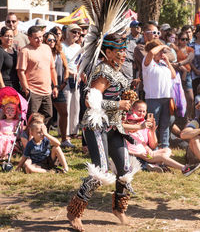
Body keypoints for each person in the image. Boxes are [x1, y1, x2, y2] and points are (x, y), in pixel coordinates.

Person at [67, 34, 140, 231]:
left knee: (125, 170)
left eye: (124, 50)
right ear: (107, 52)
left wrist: (127, 97)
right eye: (119, 51)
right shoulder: (102, 71)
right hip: (97, 125)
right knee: (100, 171)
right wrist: (119, 103)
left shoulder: (116, 69)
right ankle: (75, 212)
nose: (123, 54)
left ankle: (119, 208)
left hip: (115, 126)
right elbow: (90, 101)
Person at [124, 100, 199, 176]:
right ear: (132, 109)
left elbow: (153, 145)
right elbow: (125, 146)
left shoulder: (144, 124)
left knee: (167, 150)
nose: (142, 114)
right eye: (139, 111)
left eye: (144, 111)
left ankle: (155, 165)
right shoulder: (128, 122)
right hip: (137, 155)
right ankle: (185, 169)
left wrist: (152, 132)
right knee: (162, 156)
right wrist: (139, 154)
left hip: (146, 153)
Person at [16, 26, 58, 125]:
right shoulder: (25, 51)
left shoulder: (47, 48)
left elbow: (52, 68)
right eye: (36, 37)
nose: (39, 39)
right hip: (33, 91)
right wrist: (26, 89)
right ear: (29, 38)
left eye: (41, 37)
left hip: (47, 90)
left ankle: (42, 137)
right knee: (32, 118)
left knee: (48, 115)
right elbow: (20, 71)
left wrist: (55, 86)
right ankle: (29, 139)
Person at [142, 39, 176, 148]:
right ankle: (153, 147)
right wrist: (163, 45)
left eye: (163, 51)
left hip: (166, 98)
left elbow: (173, 75)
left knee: (165, 124)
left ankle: (165, 146)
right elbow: (151, 53)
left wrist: (168, 62)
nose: (162, 53)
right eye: (160, 51)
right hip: (153, 99)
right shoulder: (147, 62)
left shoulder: (163, 63)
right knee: (153, 125)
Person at [44, 31, 69, 146]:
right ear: (45, 41)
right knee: (47, 116)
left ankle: (64, 139)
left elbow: (66, 68)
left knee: (64, 113)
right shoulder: (42, 52)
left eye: (54, 40)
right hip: (45, 88)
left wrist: (64, 82)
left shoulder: (60, 53)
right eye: (49, 40)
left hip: (59, 87)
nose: (52, 42)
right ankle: (45, 139)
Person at [61, 23, 82, 147]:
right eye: (74, 32)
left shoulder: (79, 46)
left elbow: (80, 62)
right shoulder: (62, 46)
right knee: (66, 106)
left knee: (76, 105)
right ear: (68, 32)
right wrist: (70, 72)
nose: (76, 35)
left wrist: (79, 73)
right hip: (66, 78)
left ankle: (74, 131)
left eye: (78, 33)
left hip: (77, 79)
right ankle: (65, 132)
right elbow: (62, 63)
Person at [175, 32, 194, 119]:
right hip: (176, 74)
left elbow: (189, 59)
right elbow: (172, 60)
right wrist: (180, 67)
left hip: (187, 74)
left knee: (190, 98)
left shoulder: (190, 49)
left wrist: (179, 64)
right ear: (178, 40)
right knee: (177, 97)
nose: (185, 41)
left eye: (186, 39)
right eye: (183, 39)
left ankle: (188, 117)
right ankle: (178, 118)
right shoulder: (174, 49)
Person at [121, 19, 142, 84]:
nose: (139, 27)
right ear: (131, 28)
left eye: (140, 26)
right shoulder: (126, 39)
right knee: (129, 83)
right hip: (129, 64)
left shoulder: (143, 38)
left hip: (140, 65)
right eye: (136, 26)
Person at [0, 27, 20, 92]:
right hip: (5, 86)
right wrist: (3, 87)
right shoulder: (1, 51)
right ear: (1, 37)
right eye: (6, 36)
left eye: (11, 36)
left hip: (15, 86)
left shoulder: (14, 51)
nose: (9, 38)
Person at [0, 94, 20, 159]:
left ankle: (6, 154)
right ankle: (1, 153)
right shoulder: (1, 121)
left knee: (8, 142)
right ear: (4, 112)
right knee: (1, 140)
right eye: (8, 110)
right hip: (2, 136)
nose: (10, 112)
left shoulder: (15, 122)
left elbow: (17, 131)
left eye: (12, 110)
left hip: (11, 136)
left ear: (15, 112)